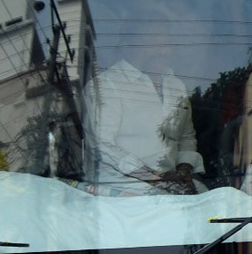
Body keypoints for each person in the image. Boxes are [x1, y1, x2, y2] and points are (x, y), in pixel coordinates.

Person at [85, 54, 204, 194]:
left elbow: (186, 136)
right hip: (120, 187)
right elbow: (101, 144)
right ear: (130, 42)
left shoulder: (176, 85)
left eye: (167, 43)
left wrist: (184, 170)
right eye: (154, 40)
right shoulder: (106, 83)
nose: (163, 49)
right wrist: (154, 178)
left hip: (171, 185)